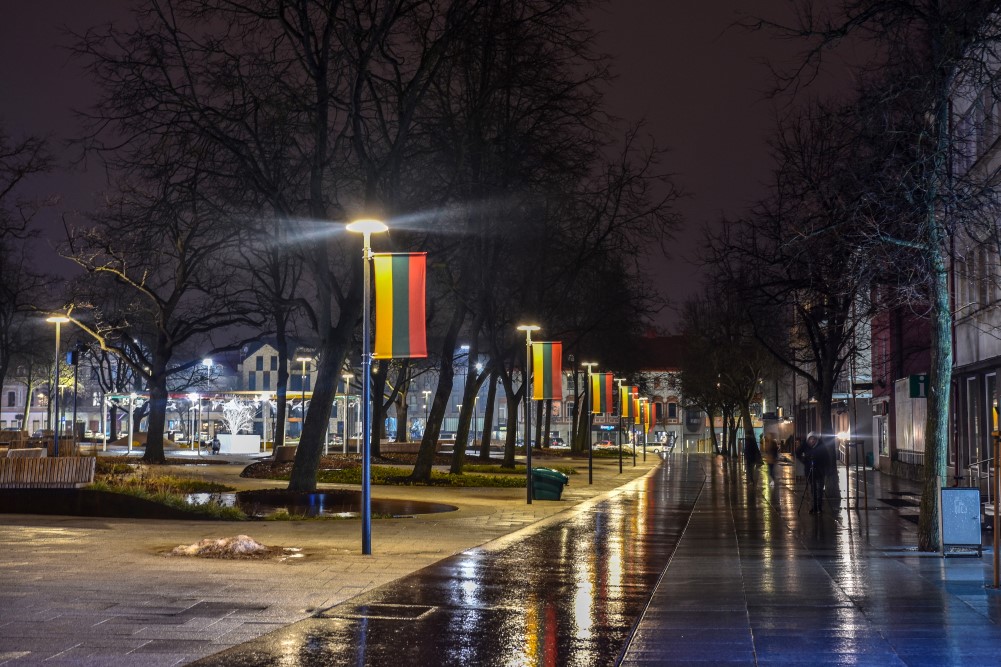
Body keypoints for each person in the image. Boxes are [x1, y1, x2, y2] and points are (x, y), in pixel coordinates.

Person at [796, 432, 831, 514]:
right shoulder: (805, 446)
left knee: (819, 489)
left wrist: (826, 469)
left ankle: (819, 507)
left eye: (814, 439)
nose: (812, 441)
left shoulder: (821, 446)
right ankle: (813, 507)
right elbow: (797, 453)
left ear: (816, 439)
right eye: (810, 439)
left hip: (820, 471)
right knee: (812, 490)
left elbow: (827, 458)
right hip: (810, 470)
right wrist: (804, 460)